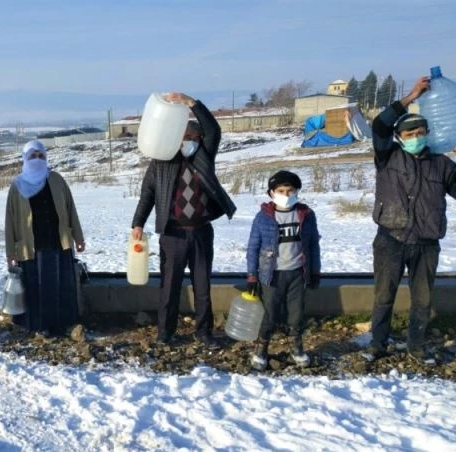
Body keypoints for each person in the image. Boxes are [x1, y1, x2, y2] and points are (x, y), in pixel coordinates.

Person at [362, 76, 456, 365]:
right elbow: (379, 126)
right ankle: (377, 343)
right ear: (400, 138)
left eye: (421, 132)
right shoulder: (388, 157)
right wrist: (411, 96)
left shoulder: (442, 163)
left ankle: (416, 346)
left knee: (422, 300)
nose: (416, 137)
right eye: (410, 134)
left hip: (427, 242)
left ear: (428, 133)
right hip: (390, 238)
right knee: (383, 297)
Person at [131, 92, 237, 347]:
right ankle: (165, 333)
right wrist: (137, 223)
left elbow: (214, 130)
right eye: (183, 138)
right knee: (169, 287)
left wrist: (192, 103)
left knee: (203, 287)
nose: (187, 142)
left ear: (199, 140)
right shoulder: (161, 163)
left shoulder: (204, 157)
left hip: (201, 232)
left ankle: (204, 332)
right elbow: (147, 195)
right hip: (173, 234)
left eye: (192, 138)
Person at [4, 140, 86, 337]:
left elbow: (70, 209)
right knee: (36, 288)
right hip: (31, 247)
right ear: (25, 158)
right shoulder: (18, 186)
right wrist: (10, 252)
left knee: (61, 286)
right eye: (32, 156)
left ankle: (63, 324)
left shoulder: (57, 180)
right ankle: (40, 326)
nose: (37, 159)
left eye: (41, 155)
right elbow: (10, 220)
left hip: (59, 243)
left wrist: (78, 236)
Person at [245, 170, 321, 370]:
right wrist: (252, 276)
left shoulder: (306, 215)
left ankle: (296, 347)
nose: (286, 195)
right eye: (281, 191)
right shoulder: (263, 218)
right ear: (272, 193)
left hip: (298, 273)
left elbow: (313, 245)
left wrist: (314, 272)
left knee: (296, 314)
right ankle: (261, 348)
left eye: (290, 191)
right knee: (268, 314)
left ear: (296, 192)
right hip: (272, 275)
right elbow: (253, 247)